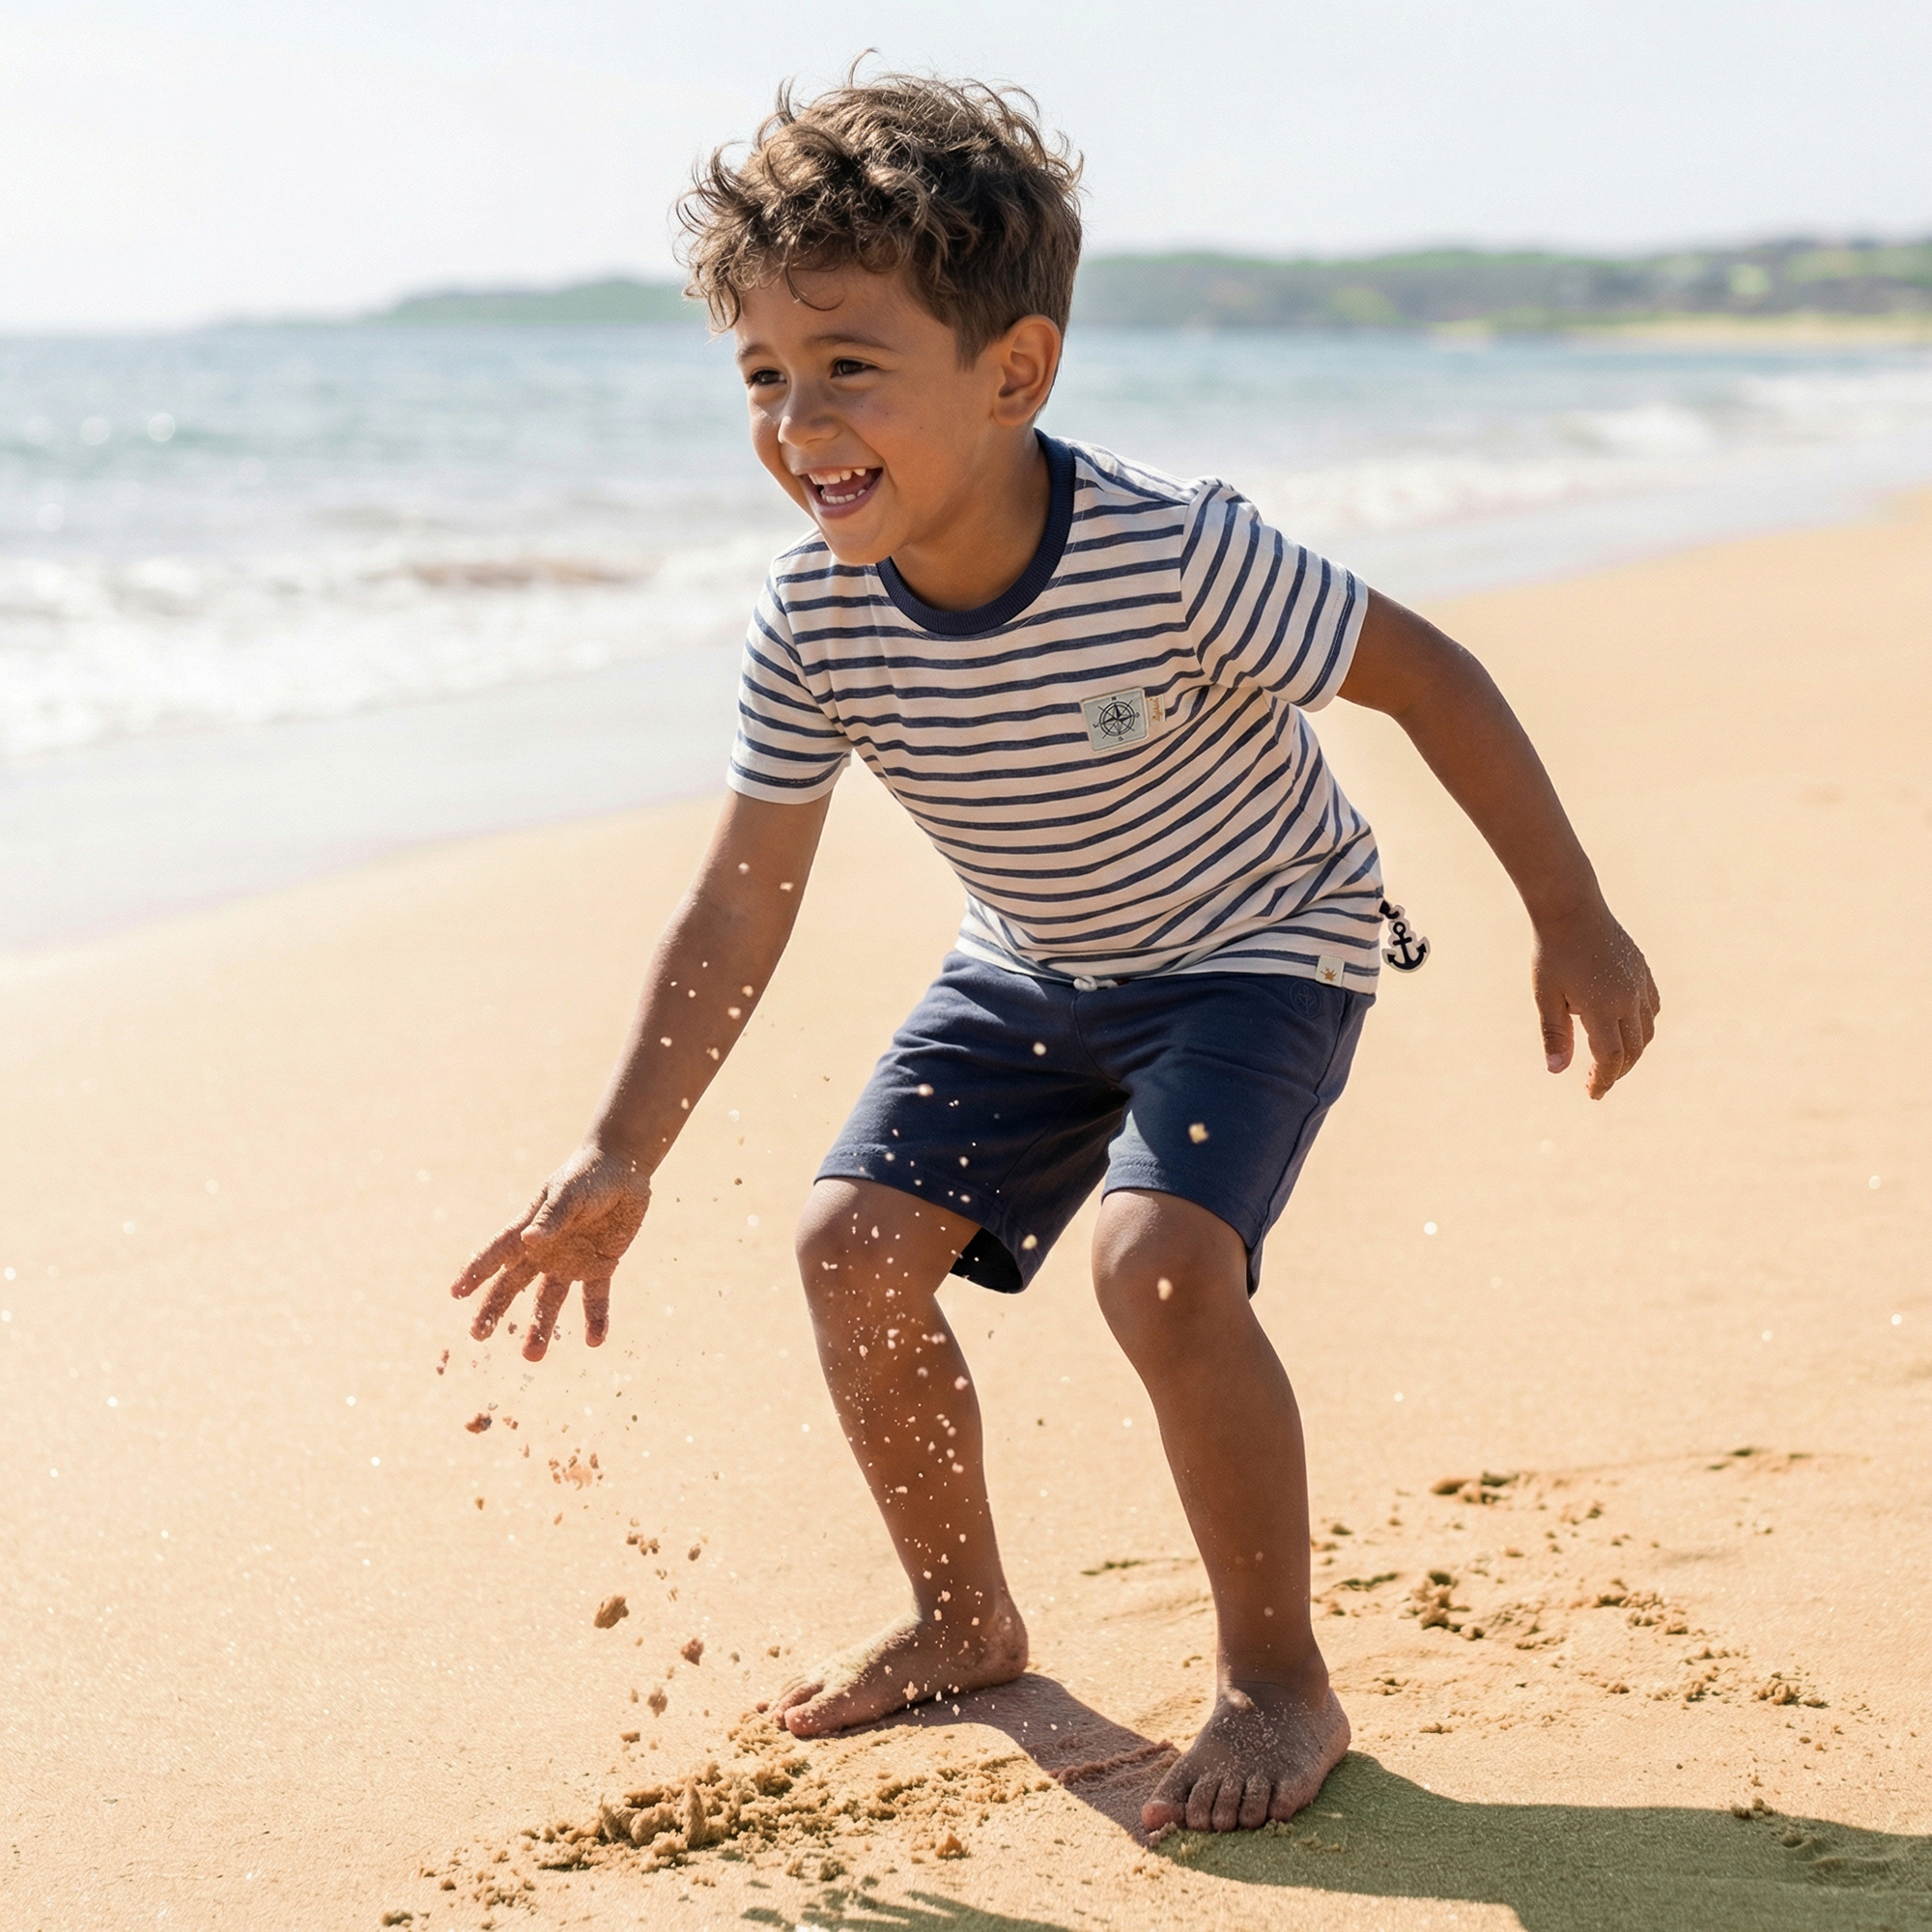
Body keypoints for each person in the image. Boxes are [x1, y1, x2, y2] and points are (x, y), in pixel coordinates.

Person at [450, 71, 1659, 1836]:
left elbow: (1431, 679)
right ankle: (964, 1617)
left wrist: (1573, 913)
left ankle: (1274, 1678)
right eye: (764, 375)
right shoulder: (817, 612)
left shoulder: (1173, 554)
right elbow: (740, 897)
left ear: (1014, 373)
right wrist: (621, 1147)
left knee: (1159, 1269)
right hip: (1032, 962)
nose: (798, 420)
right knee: (849, 1249)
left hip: (1260, 946)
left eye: (848, 364)